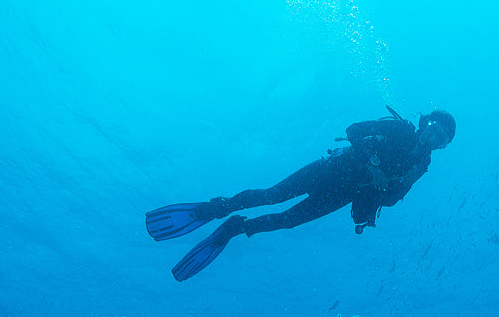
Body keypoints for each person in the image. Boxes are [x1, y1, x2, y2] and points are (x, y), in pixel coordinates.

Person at [146, 107, 456, 281]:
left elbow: (389, 200)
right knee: (273, 194)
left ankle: (236, 228)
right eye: (432, 127)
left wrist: (389, 188)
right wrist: (373, 161)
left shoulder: (421, 165)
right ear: (423, 121)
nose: (433, 136)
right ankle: (214, 209)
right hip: (331, 170)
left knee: (288, 221)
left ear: (442, 146)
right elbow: (353, 130)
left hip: (342, 195)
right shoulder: (399, 130)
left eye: (440, 138)